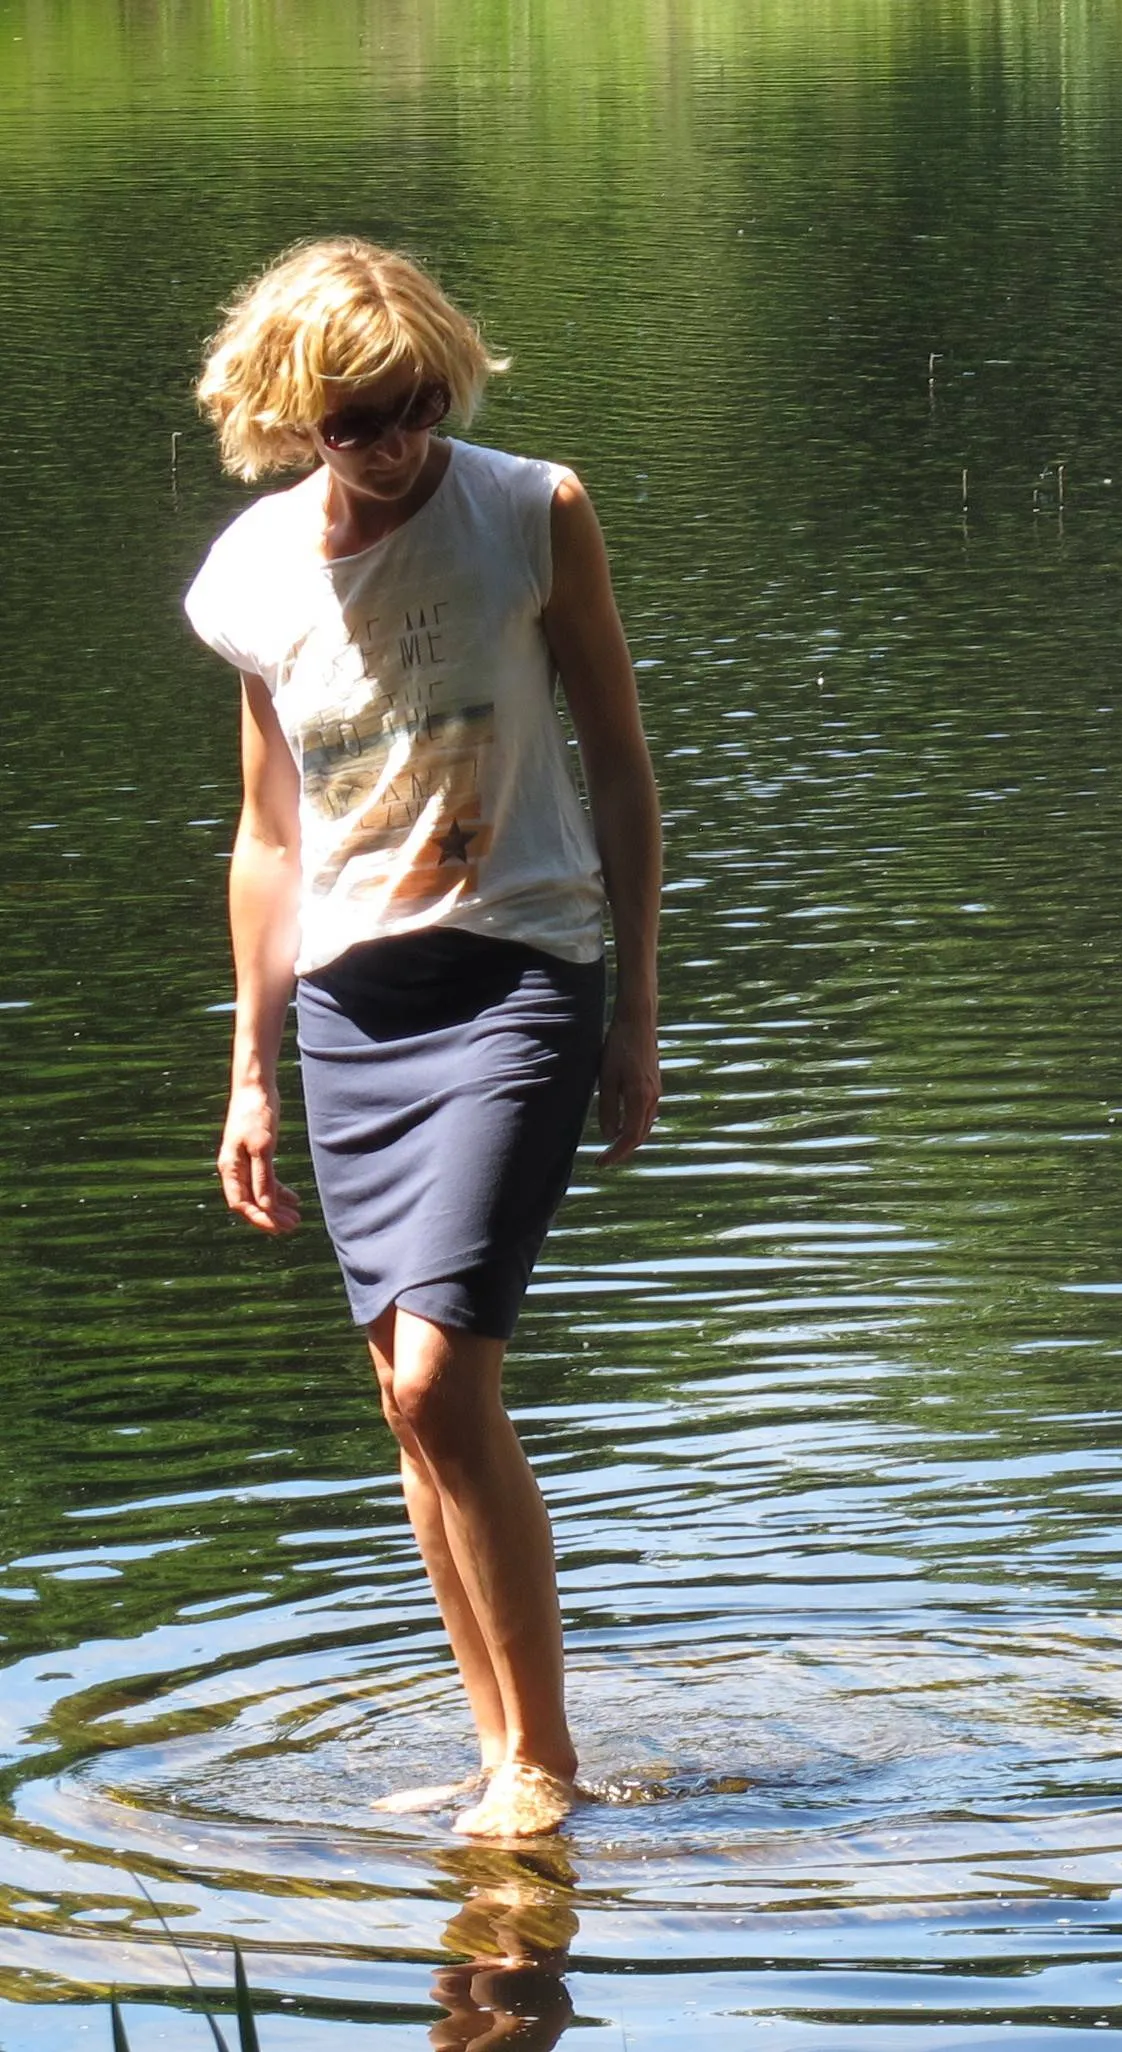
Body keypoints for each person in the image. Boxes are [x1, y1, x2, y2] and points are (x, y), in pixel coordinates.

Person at [185, 237, 663, 1839]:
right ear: (291, 417)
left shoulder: (532, 511)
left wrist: (637, 1004)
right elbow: (269, 836)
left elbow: (621, 767)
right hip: (349, 1006)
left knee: (448, 1371)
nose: (393, 444)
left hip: (521, 965)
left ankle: (548, 1762)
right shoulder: (254, 572)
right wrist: (250, 1067)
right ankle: (496, 1750)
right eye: (355, 423)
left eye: (414, 407)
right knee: (404, 1392)